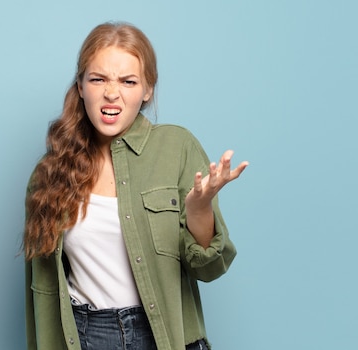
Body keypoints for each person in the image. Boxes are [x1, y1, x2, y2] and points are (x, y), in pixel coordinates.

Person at [23, 21, 249, 350]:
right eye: (98, 79)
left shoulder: (177, 147)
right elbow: (40, 291)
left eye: (128, 81)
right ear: (81, 86)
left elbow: (210, 268)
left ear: (147, 90)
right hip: (86, 336)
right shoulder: (49, 173)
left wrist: (200, 210)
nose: (111, 93)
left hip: (166, 335)